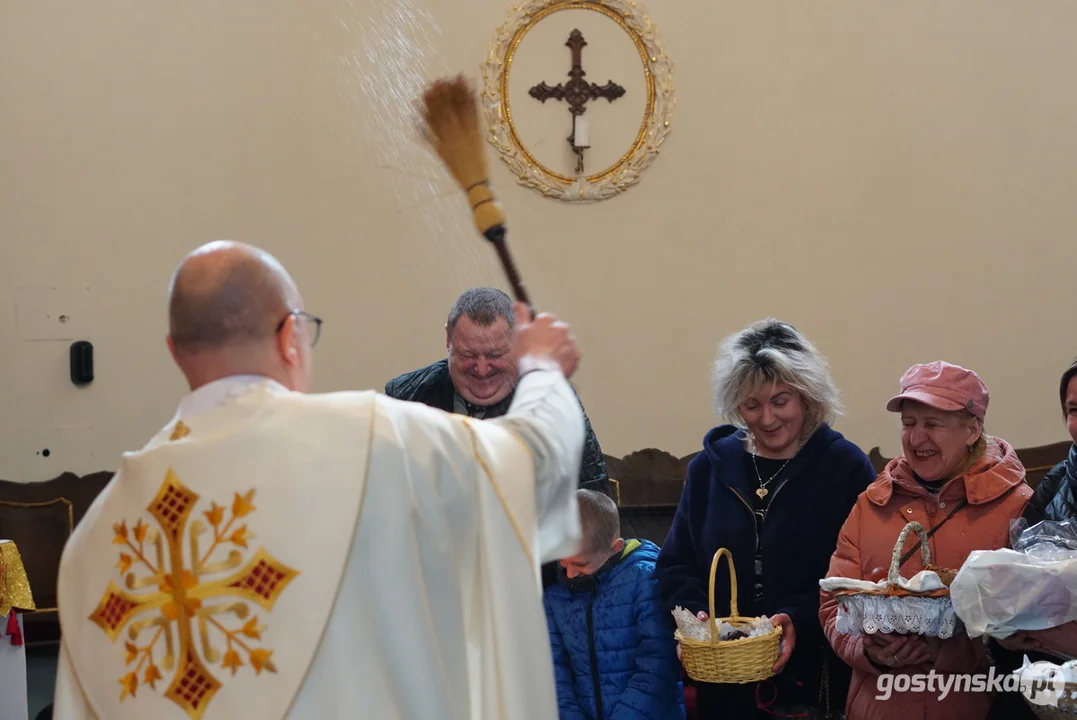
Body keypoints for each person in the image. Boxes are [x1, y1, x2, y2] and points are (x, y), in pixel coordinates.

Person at [51, 241, 587, 719]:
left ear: (174, 350)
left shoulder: (93, 539)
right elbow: (528, 463)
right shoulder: (370, 438)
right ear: (290, 335)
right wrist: (540, 367)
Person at [657, 319, 876, 719]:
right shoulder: (708, 469)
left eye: (781, 401)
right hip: (724, 681)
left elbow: (864, 575)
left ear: (808, 397)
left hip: (813, 678)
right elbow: (677, 562)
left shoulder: (845, 468)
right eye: (751, 404)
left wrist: (799, 618)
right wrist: (694, 618)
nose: (767, 418)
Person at [820, 361, 1033, 720]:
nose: (917, 439)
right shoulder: (871, 505)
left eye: (932, 424)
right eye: (908, 424)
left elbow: (1033, 626)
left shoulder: (1018, 507)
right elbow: (831, 605)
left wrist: (946, 652)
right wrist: (868, 651)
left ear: (972, 429)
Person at [384, 287, 610, 498]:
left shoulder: (549, 401)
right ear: (448, 338)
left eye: (495, 355)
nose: (482, 370)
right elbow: (385, 495)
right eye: (468, 355)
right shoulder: (406, 398)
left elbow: (593, 499)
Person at [987, 358, 1077, 720]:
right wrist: (1007, 632)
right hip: (1049, 681)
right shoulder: (1055, 484)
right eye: (1074, 410)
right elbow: (1018, 583)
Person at [544, 489, 686, 720]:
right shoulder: (555, 596)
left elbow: (657, 666)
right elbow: (555, 671)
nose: (568, 574)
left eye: (580, 564)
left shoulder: (645, 580)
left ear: (615, 547)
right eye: (562, 562)